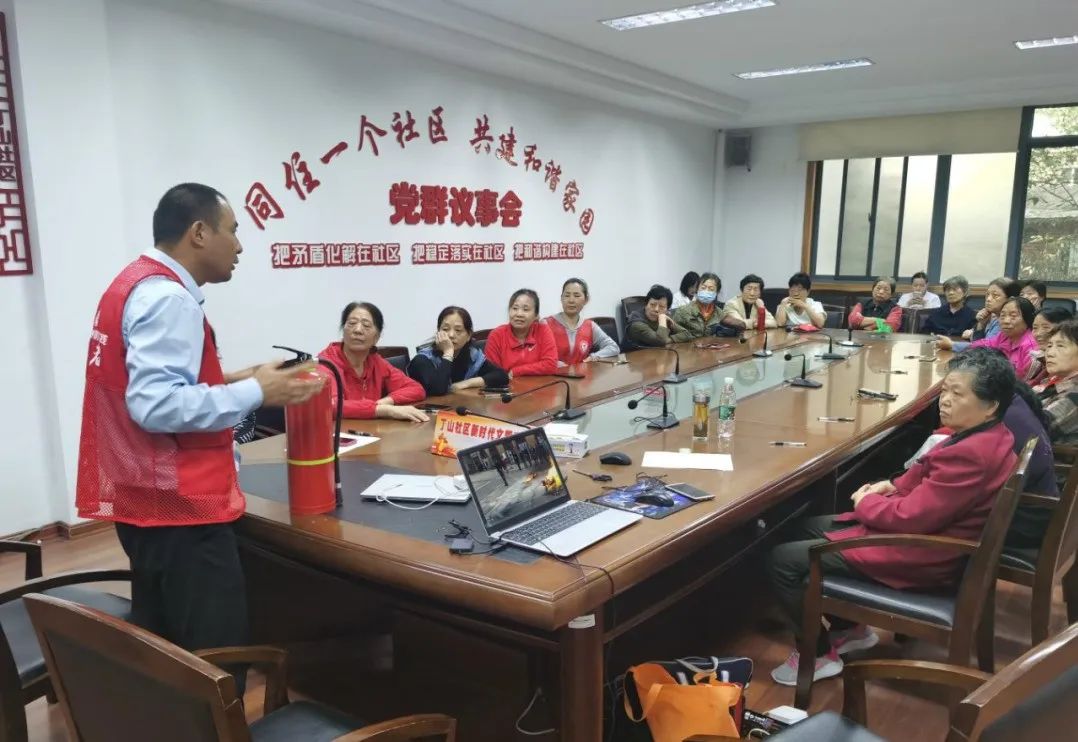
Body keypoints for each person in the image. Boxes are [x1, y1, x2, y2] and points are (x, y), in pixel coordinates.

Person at [76, 183, 325, 669]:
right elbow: (155, 404)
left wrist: (236, 378)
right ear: (199, 233)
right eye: (232, 231)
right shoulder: (170, 299)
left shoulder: (131, 283)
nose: (239, 246)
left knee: (168, 649)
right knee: (215, 658)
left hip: (145, 497)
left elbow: (146, 382)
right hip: (183, 512)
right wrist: (258, 393)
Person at [767, 349, 1017, 686]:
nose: (944, 401)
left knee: (782, 561)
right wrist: (893, 485)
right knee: (801, 526)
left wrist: (865, 503)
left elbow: (911, 518)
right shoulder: (992, 434)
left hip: (919, 553)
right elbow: (933, 488)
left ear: (990, 405)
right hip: (931, 538)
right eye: (945, 390)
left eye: (958, 394)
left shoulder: (973, 454)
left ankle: (818, 654)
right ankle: (850, 628)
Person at [320, 302, 429, 420]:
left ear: (376, 337)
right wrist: (384, 410)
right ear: (343, 330)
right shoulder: (325, 364)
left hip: (372, 429)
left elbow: (416, 389)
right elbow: (331, 405)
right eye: (352, 323)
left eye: (366, 325)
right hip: (339, 431)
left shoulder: (376, 361)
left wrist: (388, 401)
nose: (357, 330)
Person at [407, 306, 509, 395]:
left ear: (469, 335)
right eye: (445, 329)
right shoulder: (423, 359)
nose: (451, 335)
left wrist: (465, 384)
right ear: (438, 332)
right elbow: (438, 390)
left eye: (458, 330)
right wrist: (448, 353)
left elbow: (501, 376)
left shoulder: (472, 355)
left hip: (459, 406)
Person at [936, 297, 1038, 378]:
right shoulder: (1004, 336)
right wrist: (953, 345)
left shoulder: (1031, 348)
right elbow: (982, 344)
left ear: (1027, 318)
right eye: (1002, 315)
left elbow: (1026, 384)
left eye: (1013, 316)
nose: (1006, 321)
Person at [484, 289, 559, 378]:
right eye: (515, 308)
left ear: (536, 315)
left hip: (540, 385)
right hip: (507, 386)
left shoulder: (543, 330)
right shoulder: (496, 335)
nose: (519, 314)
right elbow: (493, 374)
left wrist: (516, 371)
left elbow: (551, 365)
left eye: (525, 309)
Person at [545, 278, 620, 365]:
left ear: (586, 300)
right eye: (567, 295)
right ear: (561, 298)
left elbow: (613, 347)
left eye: (577, 296)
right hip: (553, 373)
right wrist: (556, 364)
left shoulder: (590, 326)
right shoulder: (546, 324)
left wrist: (594, 356)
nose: (571, 300)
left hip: (582, 373)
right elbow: (536, 355)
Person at [1038, 319, 1078, 447]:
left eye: (1060, 346)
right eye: (1049, 346)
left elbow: (1034, 429)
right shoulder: (1053, 383)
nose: (1050, 353)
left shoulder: (1075, 395)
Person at [623, 284, 684, 350]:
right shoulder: (636, 323)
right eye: (652, 305)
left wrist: (669, 339)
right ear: (646, 304)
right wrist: (663, 320)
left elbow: (686, 334)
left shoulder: (663, 317)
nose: (656, 309)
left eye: (662, 306)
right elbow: (661, 342)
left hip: (657, 353)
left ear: (667, 310)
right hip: (634, 355)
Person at [964, 277, 1019, 345]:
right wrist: (981, 324)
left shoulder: (1007, 323)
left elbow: (983, 347)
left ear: (1010, 299)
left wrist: (953, 344)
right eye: (987, 294)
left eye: (995, 296)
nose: (988, 299)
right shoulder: (993, 317)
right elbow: (977, 343)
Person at [671, 271, 724, 340]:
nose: (706, 291)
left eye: (711, 289)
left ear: (717, 292)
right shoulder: (683, 311)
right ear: (697, 289)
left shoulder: (720, 314)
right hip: (688, 346)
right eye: (703, 288)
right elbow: (673, 336)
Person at [1028, 305, 1074, 383]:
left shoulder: (1065, 366)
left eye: (1046, 327)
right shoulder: (1038, 358)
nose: (1038, 333)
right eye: (1035, 328)